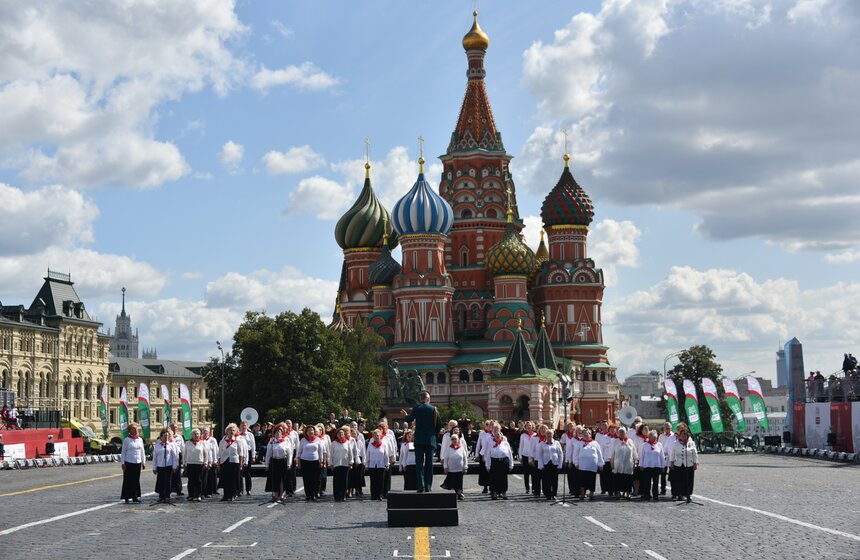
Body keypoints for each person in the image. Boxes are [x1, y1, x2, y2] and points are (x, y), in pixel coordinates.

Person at [401, 391, 442, 493]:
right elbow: (439, 425)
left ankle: (421, 486)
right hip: (430, 440)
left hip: (419, 440)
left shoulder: (416, 408)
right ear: (428, 399)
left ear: (421, 399)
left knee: (419, 464)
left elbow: (410, 419)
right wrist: (434, 435)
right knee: (429, 464)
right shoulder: (434, 409)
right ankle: (428, 487)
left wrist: (405, 415)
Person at [264, 423, 293, 503]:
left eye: (279, 433)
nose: (278, 434)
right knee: (275, 478)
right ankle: (276, 494)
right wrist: (266, 464)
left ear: (281, 434)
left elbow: (289, 454)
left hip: (282, 461)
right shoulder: (271, 442)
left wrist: (289, 464)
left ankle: (282, 494)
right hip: (274, 461)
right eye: (276, 433)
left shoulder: (286, 442)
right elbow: (268, 454)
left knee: (282, 479)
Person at [670, 425, 699, 503]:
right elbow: (672, 453)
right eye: (682, 434)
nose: (683, 436)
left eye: (685, 435)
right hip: (678, 464)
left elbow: (694, 453)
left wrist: (695, 463)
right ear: (680, 435)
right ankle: (679, 494)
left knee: (689, 480)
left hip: (689, 464)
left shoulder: (691, 443)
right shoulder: (676, 443)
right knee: (679, 480)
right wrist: (672, 462)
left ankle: (688, 494)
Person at [485, 422, 514, 500]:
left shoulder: (505, 443)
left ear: (501, 436)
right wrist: (487, 465)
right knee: (494, 478)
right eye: (496, 435)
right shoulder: (491, 442)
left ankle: (503, 493)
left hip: (503, 462)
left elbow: (510, 454)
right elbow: (488, 455)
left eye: (499, 435)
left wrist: (511, 464)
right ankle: (494, 493)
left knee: (503, 478)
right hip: (494, 462)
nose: (497, 436)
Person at [297, 425, 325, 502]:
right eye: (309, 430)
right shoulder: (303, 440)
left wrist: (321, 461)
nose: (310, 432)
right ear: (306, 432)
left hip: (315, 461)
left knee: (314, 479)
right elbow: (299, 452)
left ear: (314, 432)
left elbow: (320, 452)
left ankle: (313, 495)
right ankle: (308, 495)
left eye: (312, 430)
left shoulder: (318, 440)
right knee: (306, 479)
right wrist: (298, 462)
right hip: (305, 461)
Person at [573, 429, 603, 501]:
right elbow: (575, 454)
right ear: (582, 435)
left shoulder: (595, 443)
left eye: (587, 434)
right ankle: (582, 494)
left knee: (592, 480)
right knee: (582, 481)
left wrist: (601, 464)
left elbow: (599, 454)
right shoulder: (579, 443)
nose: (586, 435)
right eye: (584, 434)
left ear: (590, 434)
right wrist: (576, 462)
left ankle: (591, 494)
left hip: (592, 466)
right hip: (582, 466)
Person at [218, 423, 244, 501]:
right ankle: (225, 495)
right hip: (224, 461)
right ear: (227, 431)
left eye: (233, 430)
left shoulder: (238, 441)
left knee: (233, 479)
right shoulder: (222, 441)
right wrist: (219, 464)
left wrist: (241, 464)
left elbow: (241, 453)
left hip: (234, 461)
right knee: (225, 479)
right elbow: (219, 454)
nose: (231, 432)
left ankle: (232, 494)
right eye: (230, 430)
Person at [120, 424, 146, 503]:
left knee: (136, 480)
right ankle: (126, 497)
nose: (136, 430)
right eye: (134, 429)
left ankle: (135, 496)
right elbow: (123, 452)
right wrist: (123, 463)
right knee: (128, 480)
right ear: (130, 430)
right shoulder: (127, 440)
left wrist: (143, 462)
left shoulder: (140, 439)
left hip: (137, 462)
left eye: (136, 429)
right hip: (128, 462)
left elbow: (142, 451)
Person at [153, 428, 179, 503]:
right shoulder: (157, 446)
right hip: (160, 466)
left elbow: (175, 456)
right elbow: (155, 458)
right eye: (164, 435)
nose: (166, 437)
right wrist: (154, 467)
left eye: (167, 436)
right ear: (161, 437)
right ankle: (161, 496)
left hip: (169, 465)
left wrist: (175, 466)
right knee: (161, 481)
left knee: (168, 481)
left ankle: (167, 496)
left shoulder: (171, 445)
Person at [611, 426, 636, 500]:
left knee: (628, 479)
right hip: (618, 463)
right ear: (618, 433)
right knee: (618, 478)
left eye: (623, 432)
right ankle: (618, 493)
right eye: (620, 432)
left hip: (628, 463)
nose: (622, 433)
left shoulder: (630, 441)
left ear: (626, 433)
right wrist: (611, 462)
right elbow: (612, 453)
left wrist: (635, 461)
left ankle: (627, 493)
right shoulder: (615, 441)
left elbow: (634, 452)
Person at [366, 429, 392, 501]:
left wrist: (387, 464)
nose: (377, 437)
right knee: (373, 481)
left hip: (381, 465)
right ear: (373, 437)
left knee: (381, 481)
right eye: (375, 435)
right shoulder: (370, 445)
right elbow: (367, 455)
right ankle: (373, 495)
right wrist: (366, 464)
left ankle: (380, 495)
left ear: (380, 436)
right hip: (372, 465)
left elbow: (386, 455)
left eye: (378, 435)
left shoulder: (384, 445)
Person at [183, 428, 209, 502]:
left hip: (199, 463)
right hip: (190, 463)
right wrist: (184, 463)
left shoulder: (202, 443)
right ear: (192, 435)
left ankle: (198, 495)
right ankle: (191, 495)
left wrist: (206, 462)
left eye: (197, 434)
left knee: (199, 480)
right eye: (194, 434)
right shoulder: (188, 443)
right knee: (191, 480)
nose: (196, 435)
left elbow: (205, 454)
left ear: (200, 435)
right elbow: (185, 454)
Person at [638, 431, 665, 501]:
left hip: (656, 466)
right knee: (647, 482)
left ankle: (655, 495)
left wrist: (663, 466)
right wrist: (641, 464)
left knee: (656, 482)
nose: (651, 437)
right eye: (650, 436)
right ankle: (647, 495)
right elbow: (642, 456)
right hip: (647, 466)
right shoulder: (645, 445)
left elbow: (662, 456)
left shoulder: (659, 445)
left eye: (653, 436)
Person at [329, 427, 354, 502]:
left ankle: (343, 495)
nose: (341, 434)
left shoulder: (347, 442)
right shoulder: (333, 443)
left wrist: (351, 462)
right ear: (337, 435)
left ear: (344, 434)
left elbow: (350, 453)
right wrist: (331, 464)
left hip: (345, 464)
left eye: (342, 433)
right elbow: (331, 454)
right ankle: (336, 495)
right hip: (336, 464)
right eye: (339, 433)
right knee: (336, 481)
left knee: (344, 481)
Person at [537, 429, 563, 501]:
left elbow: (560, 454)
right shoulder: (542, 444)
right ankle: (548, 494)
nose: (549, 435)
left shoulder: (557, 443)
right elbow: (540, 455)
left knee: (554, 480)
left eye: (550, 434)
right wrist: (541, 465)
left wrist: (560, 464)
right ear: (545, 435)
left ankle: (554, 494)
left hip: (555, 463)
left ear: (553, 435)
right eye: (548, 434)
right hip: (546, 463)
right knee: (546, 480)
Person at [442, 434, 468, 500]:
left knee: (459, 482)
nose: (454, 440)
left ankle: (460, 493)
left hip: (460, 468)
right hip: (451, 469)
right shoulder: (448, 448)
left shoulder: (462, 448)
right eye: (452, 439)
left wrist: (465, 467)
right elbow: (446, 458)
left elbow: (465, 458)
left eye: (455, 439)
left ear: (458, 440)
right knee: (452, 482)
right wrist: (445, 467)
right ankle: (453, 493)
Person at [474, 421, 493, 494]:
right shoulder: (482, 433)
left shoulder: (493, 433)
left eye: (490, 425)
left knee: (491, 471)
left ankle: (492, 487)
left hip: (491, 454)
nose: (488, 426)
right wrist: (477, 455)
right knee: (484, 471)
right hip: (483, 454)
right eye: (487, 425)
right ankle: (485, 487)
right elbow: (478, 444)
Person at [519, 421, 538, 495]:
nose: (529, 427)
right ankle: (527, 488)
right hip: (525, 456)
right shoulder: (523, 435)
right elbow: (521, 446)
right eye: (527, 426)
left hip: (533, 456)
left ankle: (533, 488)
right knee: (526, 473)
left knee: (534, 473)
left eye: (530, 425)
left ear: (532, 426)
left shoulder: (536, 435)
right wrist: (520, 456)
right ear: (525, 427)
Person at [348, 422, 366, 497]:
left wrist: (364, 461)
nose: (353, 435)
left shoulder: (360, 441)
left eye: (355, 434)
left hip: (359, 458)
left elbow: (363, 451)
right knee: (351, 476)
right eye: (352, 433)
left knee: (359, 475)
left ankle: (358, 490)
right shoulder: (349, 441)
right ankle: (350, 491)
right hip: (351, 458)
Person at [595, 421, 614, 495]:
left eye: (606, 425)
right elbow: (598, 446)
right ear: (601, 426)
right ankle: (603, 489)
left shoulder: (611, 435)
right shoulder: (598, 435)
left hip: (610, 458)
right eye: (603, 425)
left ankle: (611, 489)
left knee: (611, 475)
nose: (605, 427)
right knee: (603, 475)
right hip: (603, 456)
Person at [658, 422, 675, 496]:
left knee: (672, 474)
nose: (668, 429)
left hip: (672, 457)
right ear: (664, 428)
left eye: (669, 428)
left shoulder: (674, 436)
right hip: (664, 457)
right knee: (663, 474)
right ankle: (663, 489)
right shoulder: (661, 436)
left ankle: (673, 490)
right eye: (666, 428)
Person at [238, 421, 256, 496]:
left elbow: (253, 446)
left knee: (247, 472)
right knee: (240, 472)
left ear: (247, 426)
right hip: (240, 454)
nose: (243, 427)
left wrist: (253, 456)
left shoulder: (250, 435)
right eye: (242, 425)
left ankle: (248, 489)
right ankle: (240, 489)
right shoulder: (238, 435)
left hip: (248, 452)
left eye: (245, 425)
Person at [201, 427, 219, 497]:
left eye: (206, 432)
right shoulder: (201, 440)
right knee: (204, 477)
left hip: (211, 460)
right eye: (204, 431)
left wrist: (215, 460)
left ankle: (210, 491)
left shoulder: (212, 440)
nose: (205, 433)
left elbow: (215, 450)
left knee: (211, 477)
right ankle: (203, 491)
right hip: (203, 461)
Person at [169, 423, 184, 497]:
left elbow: (182, 447)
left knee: (177, 473)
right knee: (170, 473)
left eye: (176, 427)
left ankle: (178, 489)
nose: (175, 429)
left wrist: (183, 459)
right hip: (170, 456)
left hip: (178, 455)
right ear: (170, 428)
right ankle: (170, 489)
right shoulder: (169, 437)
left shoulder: (180, 437)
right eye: (173, 427)